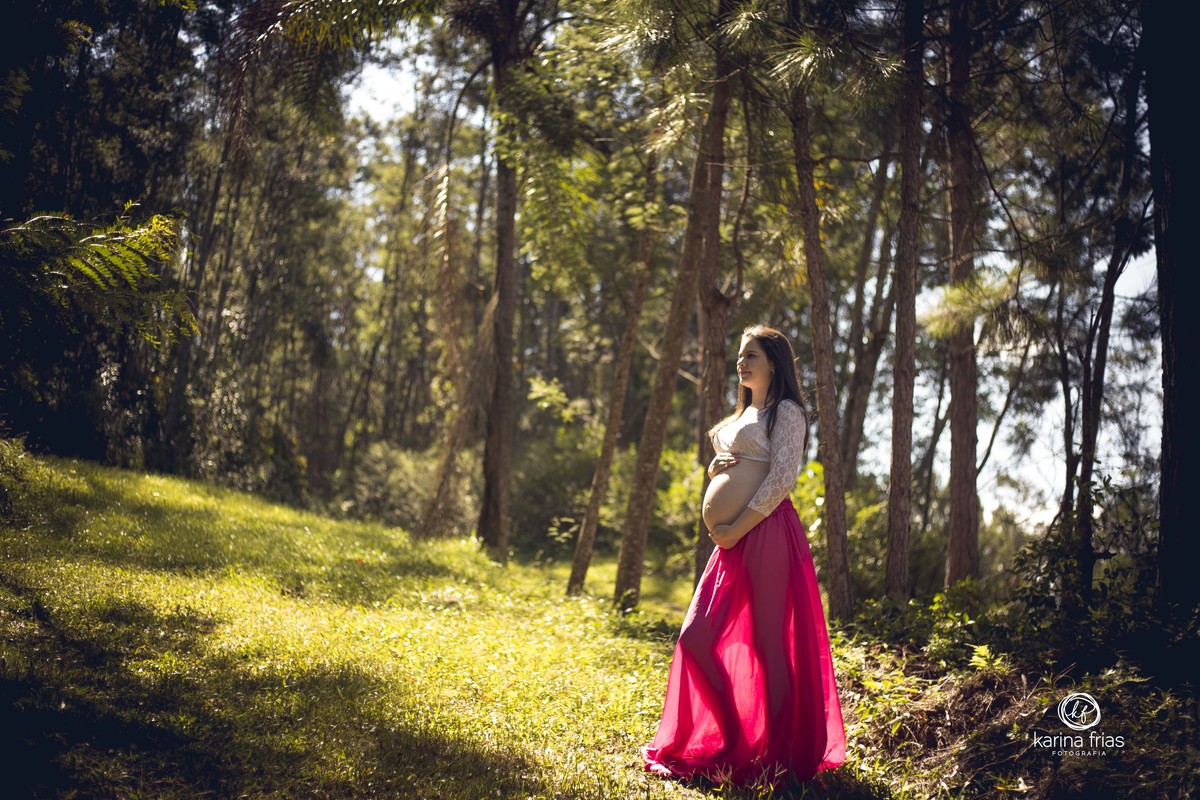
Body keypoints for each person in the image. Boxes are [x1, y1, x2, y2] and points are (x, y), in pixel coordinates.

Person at [641, 325, 847, 787]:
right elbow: (732, 467)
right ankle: (736, 737)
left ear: (773, 361)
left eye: (751, 354)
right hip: (732, 542)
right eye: (739, 355)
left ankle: (781, 754)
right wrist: (715, 472)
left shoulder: (786, 411)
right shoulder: (742, 415)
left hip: (766, 532)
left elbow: (781, 479)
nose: (741, 362)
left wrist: (736, 526)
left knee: (768, 645)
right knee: (696, 637)